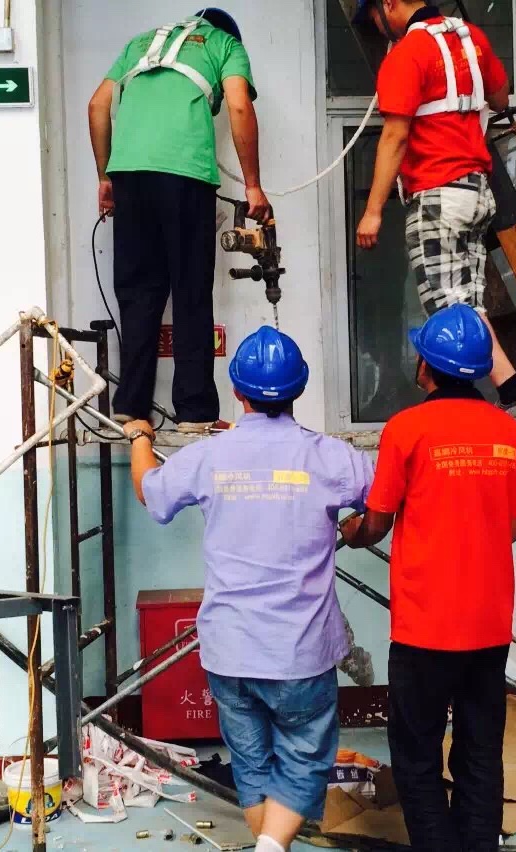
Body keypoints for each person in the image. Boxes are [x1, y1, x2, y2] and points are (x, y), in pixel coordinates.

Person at [122, 326, 375, 852]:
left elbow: (151, 492)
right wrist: (356, 530)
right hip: (300, 651)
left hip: (229, 649)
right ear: (299, 388)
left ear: (237, 392)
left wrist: (140, 438)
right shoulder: (331, 457)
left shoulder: (210, 455)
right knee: (305, 757)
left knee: (252, 761)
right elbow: (382, 501)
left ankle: (267, 844)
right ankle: (271, 847)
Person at [341, 304, 516, 852]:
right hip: (488, 625)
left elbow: (377, 523)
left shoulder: (406, 429)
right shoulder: (508, 431)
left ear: (425, 365)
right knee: (481, 751)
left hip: (424, 628)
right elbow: (513, 527)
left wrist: (353, 531)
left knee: (416, 753)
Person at [89, 9, 270, 430]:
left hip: (128, 176)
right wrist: (253, 186)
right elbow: (239, 105)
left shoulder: (140, 43)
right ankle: (194, 411)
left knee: (137, 292)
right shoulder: (225, 44)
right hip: (185, 176)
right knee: (190, 290)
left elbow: (97, 106)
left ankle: (131, 405)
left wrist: (105, 178)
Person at [353, 0, 516, 418]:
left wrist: (373, 210)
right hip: (475, 191)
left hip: (437, 195)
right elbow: (500, 98)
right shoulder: (472, 39)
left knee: (448, 308)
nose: (378, 28)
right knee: (468, 303)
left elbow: (395, 137)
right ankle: (504, 391)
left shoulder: (406, 55)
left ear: (389, 4)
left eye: (376, 18)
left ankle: (503, 392)